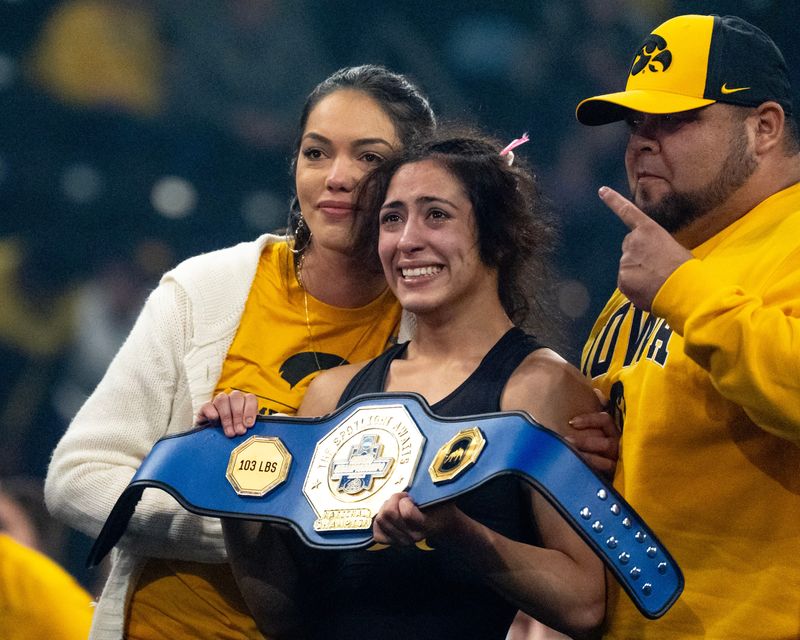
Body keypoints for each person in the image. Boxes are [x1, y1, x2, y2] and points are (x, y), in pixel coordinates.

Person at [44, 64, 437, 639]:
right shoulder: (207, 289)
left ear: (416, 176)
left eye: (370, 158)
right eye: (316, 153)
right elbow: (77, 476)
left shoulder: (432, 324)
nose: (337, 177)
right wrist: (242, 527)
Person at [211, 131, 608, 640]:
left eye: (436, 215)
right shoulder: (330, 396)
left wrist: (459, 533)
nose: (406, 240)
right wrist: (234, 490)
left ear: (498, 236)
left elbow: (586, 605)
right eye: (391, 219)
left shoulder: (542, 390)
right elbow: (286, 619)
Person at [575, 13, 800, 639]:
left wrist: (683, 291)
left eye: (673, 121)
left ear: (764, 127)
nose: (643, 142)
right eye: (635, 124)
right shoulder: (655, 269)